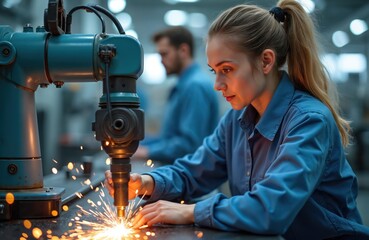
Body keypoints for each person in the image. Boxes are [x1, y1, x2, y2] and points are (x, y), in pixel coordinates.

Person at [106, 1, 369, 239]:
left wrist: (191, 212)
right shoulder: (237, 120)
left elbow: (271, 209)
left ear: (266, 61)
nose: (217, 85)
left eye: (227, 70)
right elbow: (195, 171)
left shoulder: (308, 121)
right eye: (214, 71)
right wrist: (149, 183)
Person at [133, 26, 219, 163]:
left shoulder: (195, 86)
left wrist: (148, 152)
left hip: (192, 182)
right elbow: (169, 138)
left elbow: (190, 144)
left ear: (183, 50)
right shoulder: (183, 86)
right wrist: (139, 146)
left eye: (164, 54)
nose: (161, 60)